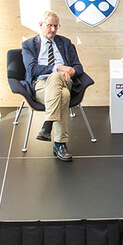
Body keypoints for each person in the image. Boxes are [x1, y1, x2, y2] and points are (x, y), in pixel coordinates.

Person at [21, 10, 92, 162]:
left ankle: (47, 126)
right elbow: (32, 69)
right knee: (64, 96)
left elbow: (78, 67)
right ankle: (60, 144)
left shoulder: (65, 43)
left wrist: (71, 70)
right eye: (49, 25)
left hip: (65, 81)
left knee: (57, 80)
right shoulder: (28, 45)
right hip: (41, 85)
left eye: (56, 26)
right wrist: (58, 68)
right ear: (41, 25)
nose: (53, 29)